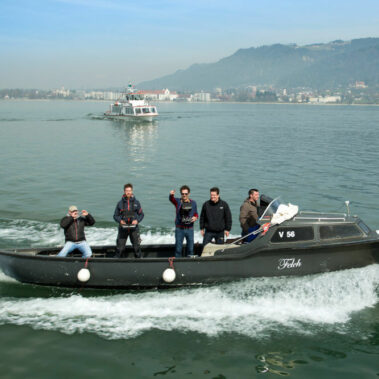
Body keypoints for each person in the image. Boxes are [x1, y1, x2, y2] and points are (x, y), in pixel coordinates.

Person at [114, 183, 144, 258]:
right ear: (124, 191)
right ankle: (117, 263)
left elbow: (141, 214)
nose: (128, 192)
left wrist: (137, 220)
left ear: (132, 191)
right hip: (123, 228)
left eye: (130, 191)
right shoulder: (120, 203)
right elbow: (115, 215)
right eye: (127, 191)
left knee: (136, 247)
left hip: (134, 228)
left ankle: (139, 262)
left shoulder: (137, 203)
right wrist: (120, 221)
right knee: (120, 248)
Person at [169, 185, 198, 257]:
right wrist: (171, 195)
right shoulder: (178, 201)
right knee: (178, 249)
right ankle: (178, 264)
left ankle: (190, 264)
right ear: (181, 194)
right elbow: (171, 199)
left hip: (190, 229)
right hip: (180, 229)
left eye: (186, 194)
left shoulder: (193, 203)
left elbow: (196, 213)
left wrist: (195, 217)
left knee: (190, 249)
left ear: (189, 194)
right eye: (182, 194)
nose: (184, 195)